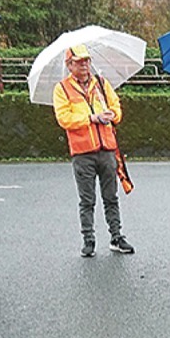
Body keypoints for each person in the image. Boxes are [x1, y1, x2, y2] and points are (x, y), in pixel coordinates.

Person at [53, 44, 134, 257]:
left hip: (107, 148)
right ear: (69, 65)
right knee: (87, 200)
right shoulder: (62, 89)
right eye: (79, 62)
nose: (85, 65)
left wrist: (111, 115)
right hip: (82, 152)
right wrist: (90, 118)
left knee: (111, 197)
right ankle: (88, 240)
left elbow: (117, 109)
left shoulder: (101, 83)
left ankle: (116, 237)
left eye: (87, 60)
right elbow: (64, 118)